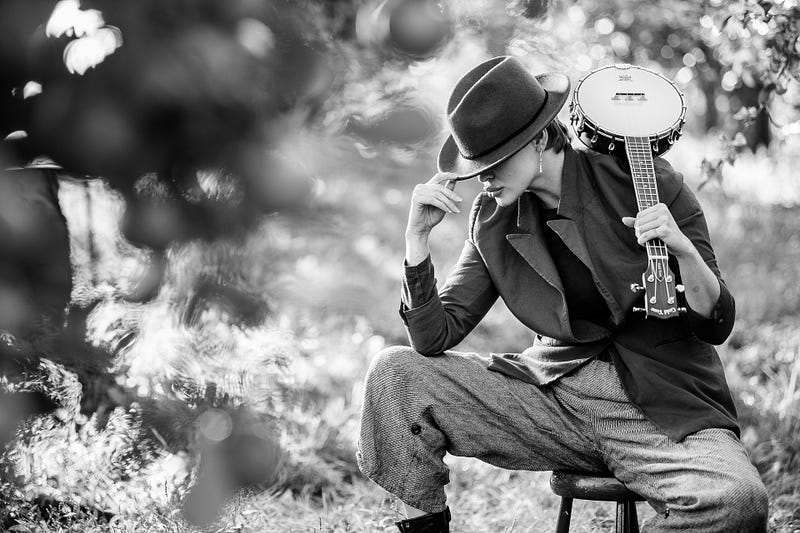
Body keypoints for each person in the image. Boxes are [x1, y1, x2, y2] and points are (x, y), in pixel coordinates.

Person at [356, 56, 769, 532]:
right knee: (394, 373)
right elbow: (433, 339)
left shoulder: (648, 184)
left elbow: (716, 322)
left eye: (495, 158)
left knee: (737, 501)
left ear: (537, 138)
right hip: (554, 400)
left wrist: (681, 251)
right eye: (477, 163)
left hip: (663, 405)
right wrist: (416, 245)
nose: (483, 176)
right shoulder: (491, 220)